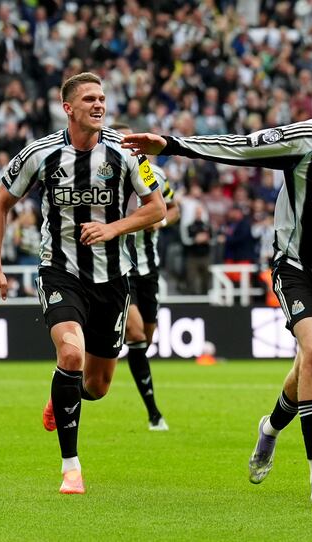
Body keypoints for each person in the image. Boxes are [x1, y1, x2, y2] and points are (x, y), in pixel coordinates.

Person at [122, 70, 312, 506]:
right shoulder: (308, 141)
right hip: (294, 266)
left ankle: (270, 428)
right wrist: (172, 144)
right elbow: (241, 146)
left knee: (305, 371)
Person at [0, 72, 166, 494]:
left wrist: (113, 228)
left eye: (102, 98)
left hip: (112, 279)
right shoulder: (40, 153)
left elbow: (156, 208)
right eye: (88, 99)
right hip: (60, 271)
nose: (98, 105)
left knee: (96, 387)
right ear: (68, 108)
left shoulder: (126, 151)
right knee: (70, 352)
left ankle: (61, 393)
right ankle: (71, 467)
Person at [111, 123, 180, 432]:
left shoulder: (156, 175)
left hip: (148, 269)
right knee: (137, 334)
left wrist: (159, 222)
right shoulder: (105, 176)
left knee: (145, 338)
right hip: (119, 267)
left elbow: (174, 208)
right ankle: (154, 414)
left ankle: (99, 355)